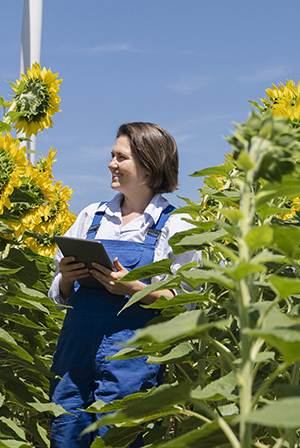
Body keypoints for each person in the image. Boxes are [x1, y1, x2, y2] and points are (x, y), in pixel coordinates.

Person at [49, 122, 196, 448]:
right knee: (65, 433)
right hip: (74, 354)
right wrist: (66, 277)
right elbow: (58, 292)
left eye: (121, 157)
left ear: (149, 165)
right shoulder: (92, 217)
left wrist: (134, 289)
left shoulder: (175, 225)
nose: (111, 164)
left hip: (131, 359)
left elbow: (185, 303)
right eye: (112, 155)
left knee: (118, 438)